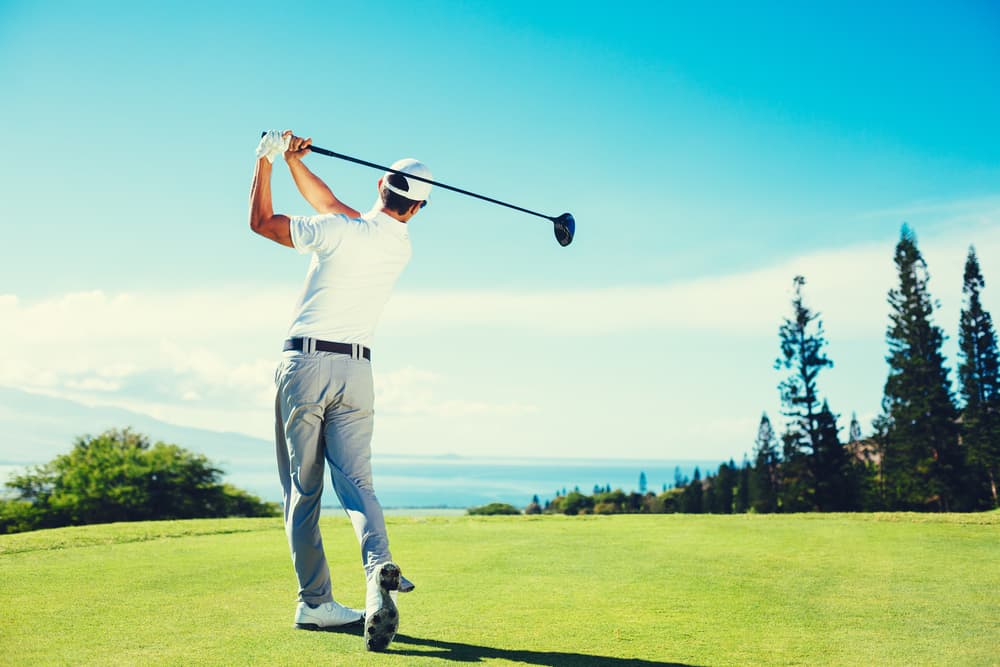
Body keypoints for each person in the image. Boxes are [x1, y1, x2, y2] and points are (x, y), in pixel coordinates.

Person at [248, 129, 430, 652]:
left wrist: (264, 163)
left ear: (379, 185)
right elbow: (331, 204)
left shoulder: (341, 230)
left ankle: (316, 603)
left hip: (305, 364)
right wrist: (291, 162)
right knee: (358, 484)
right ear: (416, 210)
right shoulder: (399, 244)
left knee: (304, 492)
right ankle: (378, 571)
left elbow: (262, 223)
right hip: (358, 374)